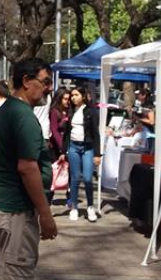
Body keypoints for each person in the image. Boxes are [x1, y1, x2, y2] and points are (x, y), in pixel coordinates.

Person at [0, 59, 57, 280]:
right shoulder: (23, 116)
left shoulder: (3, 111)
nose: (49, 88)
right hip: (13, 213)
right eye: (45, 82)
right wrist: (45, 214)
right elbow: (27, 168)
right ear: (26, 81)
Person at [65, 87, 101, 222]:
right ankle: (74, 207)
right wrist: (64, 150)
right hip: (73, 147)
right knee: (75, 178)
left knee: (87, 178)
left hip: (88, 148)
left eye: (76, 95)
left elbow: (96, 133)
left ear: (83, 96)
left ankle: (90, 206)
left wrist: (97, 154)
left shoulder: (91, 112)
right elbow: (67, 133)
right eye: (72, 95)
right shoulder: (70, 111)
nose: (73, 98)